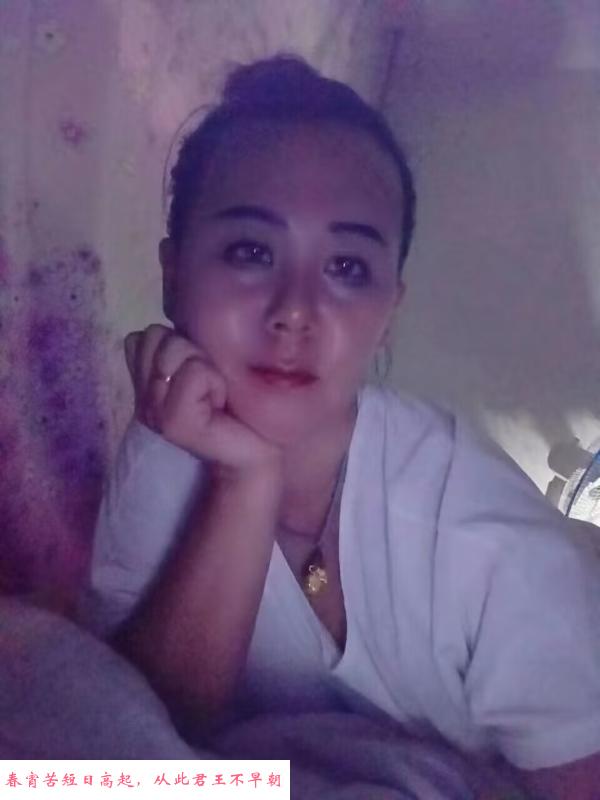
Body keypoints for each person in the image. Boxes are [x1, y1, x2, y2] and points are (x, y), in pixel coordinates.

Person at [81, 54, 600, 798]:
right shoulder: (168, 454)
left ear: (389, 310)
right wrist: (243, 481)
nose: (296, 310)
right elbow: (134, 750)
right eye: (251, 252)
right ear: (174, 275)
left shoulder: (492, 549)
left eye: (348, 268)